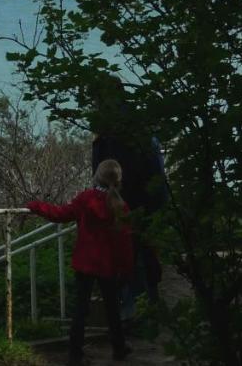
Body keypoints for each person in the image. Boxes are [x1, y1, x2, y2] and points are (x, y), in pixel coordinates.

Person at [27, 159, 134, 366]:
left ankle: (75, 355)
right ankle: (119, 348)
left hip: (85, 263)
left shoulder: (86, 199)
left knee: (80, 310)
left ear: (97, 176)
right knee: (112, 308)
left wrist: (35, 206)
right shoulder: (121, 206)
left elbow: (60, 214)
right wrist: (126, 269)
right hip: (109, 265)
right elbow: (125, 242)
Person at [93, 126, 168, 315]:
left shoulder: (108, 141)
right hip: (141, 210)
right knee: (143, 258)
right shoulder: (145, 140)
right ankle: (146, 309)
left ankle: (134, 310)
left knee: (131, 259)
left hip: (127, 211)